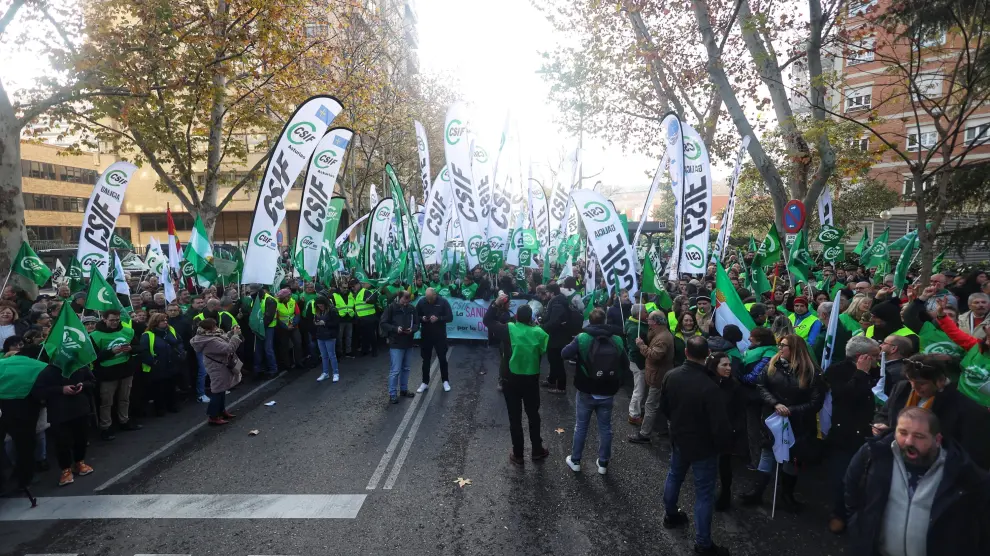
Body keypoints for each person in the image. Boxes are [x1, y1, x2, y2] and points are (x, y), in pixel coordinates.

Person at [845, 408, 990, 555]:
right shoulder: (874, 455)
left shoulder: (961, 473)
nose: (909, 441)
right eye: (902, 433)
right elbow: (851, 485)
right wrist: (856, 525)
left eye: (919, 436)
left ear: (937, 439)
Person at [658, 336, 732, 556]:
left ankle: (671, 515)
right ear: (707, 353)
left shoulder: (671, 376)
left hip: (680, 438)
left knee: (674, 476)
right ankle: (703, 544)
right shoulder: (710, 386)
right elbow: (720, 425)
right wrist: (723, 445)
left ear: (686, 353)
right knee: (704, 494)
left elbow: (665, 407)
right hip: (704, 446)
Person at [742, 333, 824, 511]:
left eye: (783, 345)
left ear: (794, 349)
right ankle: (757, 492)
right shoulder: (773, 365)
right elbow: (761, 386)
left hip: (798, 423)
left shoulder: (811, 372)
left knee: (791, 458)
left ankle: (787, 495)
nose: (779, 348)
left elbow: (816, 402)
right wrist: (775, 404)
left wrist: (791, 410)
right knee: (767, 453)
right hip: (773, 419)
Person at [873, 355, 990, 469]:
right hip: (895, 461)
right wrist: (882, 425)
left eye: (921, 383)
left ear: (941, 380)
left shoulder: (965, 409)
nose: (914, 387)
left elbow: (971, 452)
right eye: (911, 380)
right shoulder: (902, 388)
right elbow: (884, 414)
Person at [823, 336, 881, 534]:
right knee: (843, 475)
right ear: (861, 357)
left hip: (870, 431)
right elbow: (845, 396)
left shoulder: (878, 370)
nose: (878, 360)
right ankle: (839, 513)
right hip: (846, 432)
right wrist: (860, 374)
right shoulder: (837, 371)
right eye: (874, 356)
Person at [560, 308, 628, 475]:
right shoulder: (617, 339)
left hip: (586, 389)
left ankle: (575, 460)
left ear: (589, 321)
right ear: (605, 321)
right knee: (605, 428)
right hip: (608, 390)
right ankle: (603, 463)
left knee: (581, 426)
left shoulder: (582, 338)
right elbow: (625, 364)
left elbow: (564, 353)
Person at [485, 304, 550, 466]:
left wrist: (495, 304)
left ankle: (518, 454)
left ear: (516, 317)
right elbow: (543, 349)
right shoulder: (539, 333)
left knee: (515, 418)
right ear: (531, 318)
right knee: (533, 415)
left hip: (511, 380)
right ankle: (537, 450)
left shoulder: (509, 329)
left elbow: (488, 321)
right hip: (531, 380)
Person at [33, 358, 96, 487]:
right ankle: (65, 469)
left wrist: (83, 385)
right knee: (62, 442)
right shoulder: (48, 371)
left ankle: (79, 462)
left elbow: (93, 381)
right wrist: (61, 389)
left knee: (82, 438)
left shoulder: (80, 365)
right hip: (59, 412)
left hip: (81, 408)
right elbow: (39, 391)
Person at [89, 310, 141, 441]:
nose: (115, 322)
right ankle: (105, 427)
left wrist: (131, 349)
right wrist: (110, 352)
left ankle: (124, 421)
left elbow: (139, 347)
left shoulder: (127, 331)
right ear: (104, 319)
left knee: (124, 398)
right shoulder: (94, 336)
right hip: (107, 374)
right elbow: (93, 357)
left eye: (117, 320)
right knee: (106, 402)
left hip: (126, 370)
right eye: (112, 320)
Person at [628, 310, 675, 444]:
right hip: (656, 375)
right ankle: (663, 428)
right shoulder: (659, 333)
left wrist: (641, 345)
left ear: (655, 322)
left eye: (649, 320)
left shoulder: (663, 338)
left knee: (650, 405)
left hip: (658, 377)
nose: (647, 322)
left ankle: (645, 434)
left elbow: (654, 355)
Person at [709, 351, 746, 512]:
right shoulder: (707, 383)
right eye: (724, 365)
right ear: (714, 366)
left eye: (729, 364)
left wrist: (734, 429)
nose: (729, 368)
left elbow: (739, 411)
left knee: (724, 466)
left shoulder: (735, 385)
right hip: (708, 432)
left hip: (726, 433)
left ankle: (725, 495)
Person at [190, 318, 243, 426]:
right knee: (217, 391)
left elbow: (222, 339)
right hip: (217, 367)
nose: (217, 327)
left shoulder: (210, 335)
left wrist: (231, 332)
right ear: (210, 328)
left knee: (222, 389)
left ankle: (221, 411)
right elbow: (228, 348)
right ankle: (213, 416)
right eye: (215, 326)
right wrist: (235, 336)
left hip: (220, 365)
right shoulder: (209, 341)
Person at [138, 313, 182, 416]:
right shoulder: (147, 335)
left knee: (171, 387)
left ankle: (172, 405)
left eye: (166, 320)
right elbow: (144, 351)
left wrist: (181, 353)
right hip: (157, 367)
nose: (165, 322)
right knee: (159, 389)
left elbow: (179, 342)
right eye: (162, 321)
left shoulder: (170, 330)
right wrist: (153, 362)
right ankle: (160, 409)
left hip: (171, 364)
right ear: (155, 323)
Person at [380, 291, 419, 404]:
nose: (406, 303)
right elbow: (383, 323)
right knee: (395, 370)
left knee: (406, 368)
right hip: (396, 343)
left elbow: (417, 323)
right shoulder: (391, 308)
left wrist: (413, 329)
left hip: (408, 342)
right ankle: (392, 394)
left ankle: (403, 389)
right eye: (404, 300)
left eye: (408, 301)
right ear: (399, 298)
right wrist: (395, 329)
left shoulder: (412, 308)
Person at [415, 287, 454, 393]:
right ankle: (425, 382)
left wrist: (439, 319)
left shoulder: (443, 302)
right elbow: (415, 316)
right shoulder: (422, 301)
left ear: (435, 295)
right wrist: (422, 318)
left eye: (430, 299)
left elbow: (450, 317)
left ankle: (445, 381)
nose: (429, 301)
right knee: (426, 359)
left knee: (442, 358)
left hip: (439, 335)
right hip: (426, 335)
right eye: (427, 298)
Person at [541, 283, 574, 394]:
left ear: (552, 293)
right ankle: (551, 380)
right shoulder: (556, 302)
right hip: (556, 337)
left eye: (547, 292)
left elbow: (554, 322)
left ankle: (561, 387)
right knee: (552, 360)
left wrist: (542, 328)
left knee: (557, 362)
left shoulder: (557, 304)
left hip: (558, 338)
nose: (546, 294)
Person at [624, 304, 650, 426]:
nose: (647, 313)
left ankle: (638, 410)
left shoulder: (637, 325)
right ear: (639, 314)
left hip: (638, 362)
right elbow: (635, 350)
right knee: (639, 390)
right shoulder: (635, 329)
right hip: (638, 363)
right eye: (645, 311)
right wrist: (641, 365)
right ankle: (634, 415)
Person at [250, 285, 279, 379]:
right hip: (259, 328)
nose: (250, 294)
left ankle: (273, 369)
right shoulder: (255, 299)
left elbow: (268, 317)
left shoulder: (270, 300)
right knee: (258, 349)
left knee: (268, 349)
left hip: (268, 327)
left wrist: (260, 327)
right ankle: (258, 369)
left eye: (252, 292)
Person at [312, 296, 341, 383]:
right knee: (324, 355)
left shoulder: (333, 310)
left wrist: (324, 323)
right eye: (318, 306)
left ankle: (336, 373)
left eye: (321, 306)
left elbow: (336, 323)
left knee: (332, 355)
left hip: (330, 336)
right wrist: (316, 323)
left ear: (325, 304)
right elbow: (316, 321)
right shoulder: (318, 311)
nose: (320, 307)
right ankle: (325, 372)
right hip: (320, 335)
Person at [274, 288, 304, 370]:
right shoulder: (276, 303)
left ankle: (299, 362)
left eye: (289, 296)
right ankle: (287, 364)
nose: (289, 297)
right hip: (283, 328)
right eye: (287, 296)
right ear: (282, 297)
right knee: (285, 346)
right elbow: (276, 318)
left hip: (294, 326)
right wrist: (286, 327)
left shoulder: (292, 301)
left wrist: (293, 324)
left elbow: (297, 314)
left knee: (298, 343)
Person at [352, 279, 380, 357]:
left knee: (371, 335)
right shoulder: (356, 293)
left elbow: (373, 298)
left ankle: (375, 350)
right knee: (364, 335)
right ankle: (365, 350)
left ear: (358, 284)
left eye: (353, 286)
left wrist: (369, 300)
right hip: (361, 318)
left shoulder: (365, 291)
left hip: (369, 317)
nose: (353, 288)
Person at [333, 283, 356, 358]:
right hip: (340, 319)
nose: (346, 289)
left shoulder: (351, 295)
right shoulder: (334, 295)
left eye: (347, 288)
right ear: (340, 287)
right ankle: (340, 352)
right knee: (339, 337)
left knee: (349, 337)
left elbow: (354, 305)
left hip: (349, 318)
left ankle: (348, 352)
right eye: (344, 288)